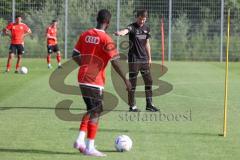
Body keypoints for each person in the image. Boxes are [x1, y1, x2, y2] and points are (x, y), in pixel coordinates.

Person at [72, 9, 131, 157]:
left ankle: (80, 140)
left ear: (97, 19)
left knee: (92, 109)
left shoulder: (85, 35)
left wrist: (85, 66)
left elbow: (74, 55)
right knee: (97, 111)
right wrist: (126, 80)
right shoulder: (106, 39)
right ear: (108, 23)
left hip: (82, 77)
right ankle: (90, 147)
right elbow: (116, 62)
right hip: (94, 80)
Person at [114, 9, 159, 112]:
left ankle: (149, 105)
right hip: (134, 60)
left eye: (144, 19)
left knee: (149, 81)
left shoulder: (147, 28)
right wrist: (121, 33)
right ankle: (132, 106)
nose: (142, 21)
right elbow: (126, 30)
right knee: (132, 84)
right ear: (137, 17)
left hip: (144, 60)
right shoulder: (132, 27)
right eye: (140, 19)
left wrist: (150, 58)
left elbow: (147, 43)